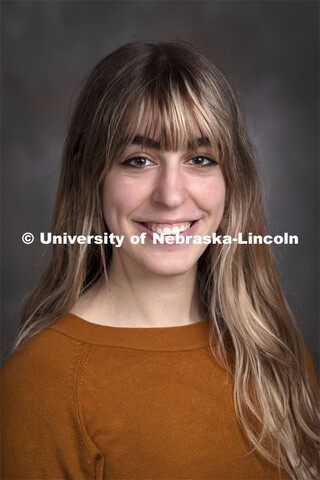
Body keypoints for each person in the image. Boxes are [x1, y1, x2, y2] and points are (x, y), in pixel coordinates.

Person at [1, 41, 319, 480]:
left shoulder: (274, 351)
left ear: (232, 183)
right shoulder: (41, 384)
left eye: (201, 159)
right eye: (139, 160)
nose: (170, 195)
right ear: (91, 176)